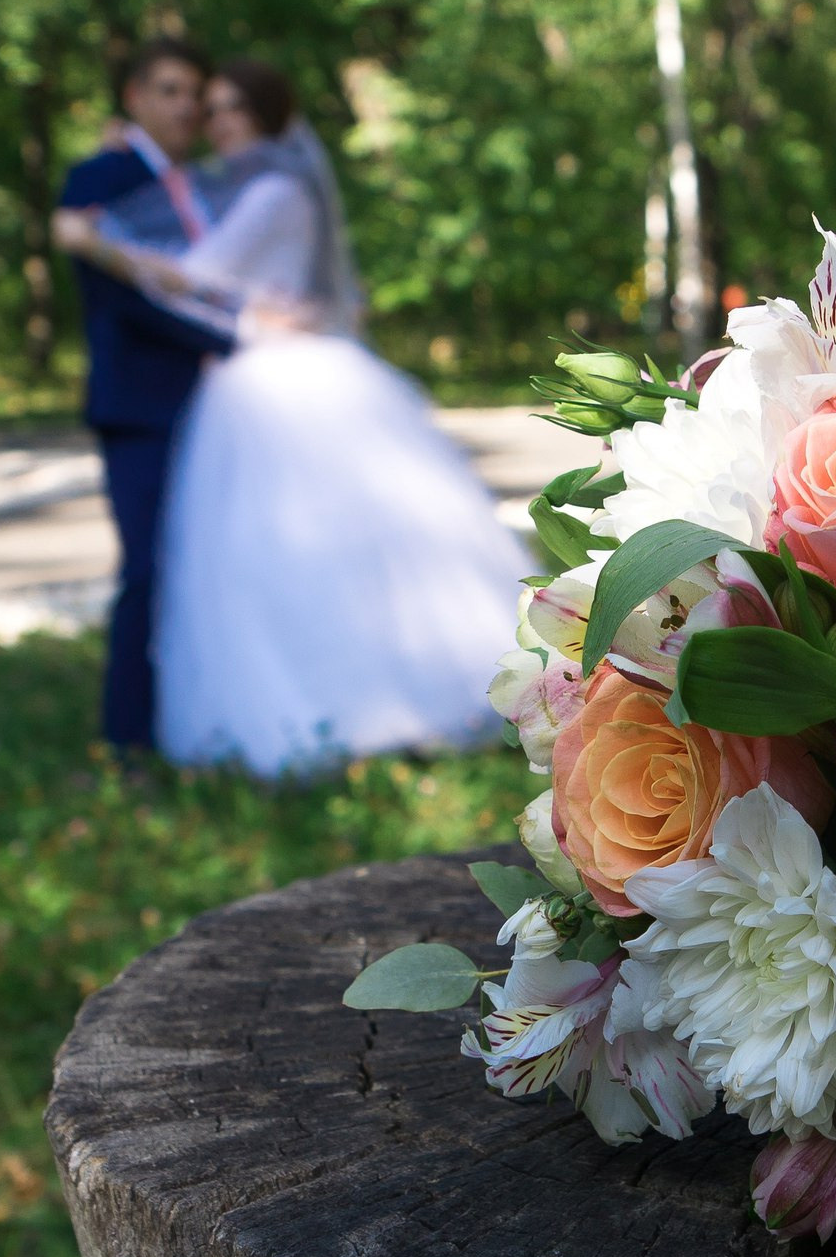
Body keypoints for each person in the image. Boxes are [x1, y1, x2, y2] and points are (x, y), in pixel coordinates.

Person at [144, 59, 529, 774]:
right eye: (213, 109)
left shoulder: (269, 190)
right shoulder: (269, 187)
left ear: (265, 117)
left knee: (299, 547)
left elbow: (195, 273)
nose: (218, 123)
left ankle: (357, 706)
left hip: (277, 378)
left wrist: (102, 244)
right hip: (284, 364)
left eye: (233, 109)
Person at [50, 38, 237, 752]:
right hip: (142, 403)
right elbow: (123, 296)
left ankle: (197, 718)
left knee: (206, 565)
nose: (185, 106)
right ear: (134, 97)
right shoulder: (100, 175)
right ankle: (127, 738)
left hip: (212, 404)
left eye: (194, 94)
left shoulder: (199, 184)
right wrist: (235, 340)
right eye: (169, 90)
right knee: (147, 570)